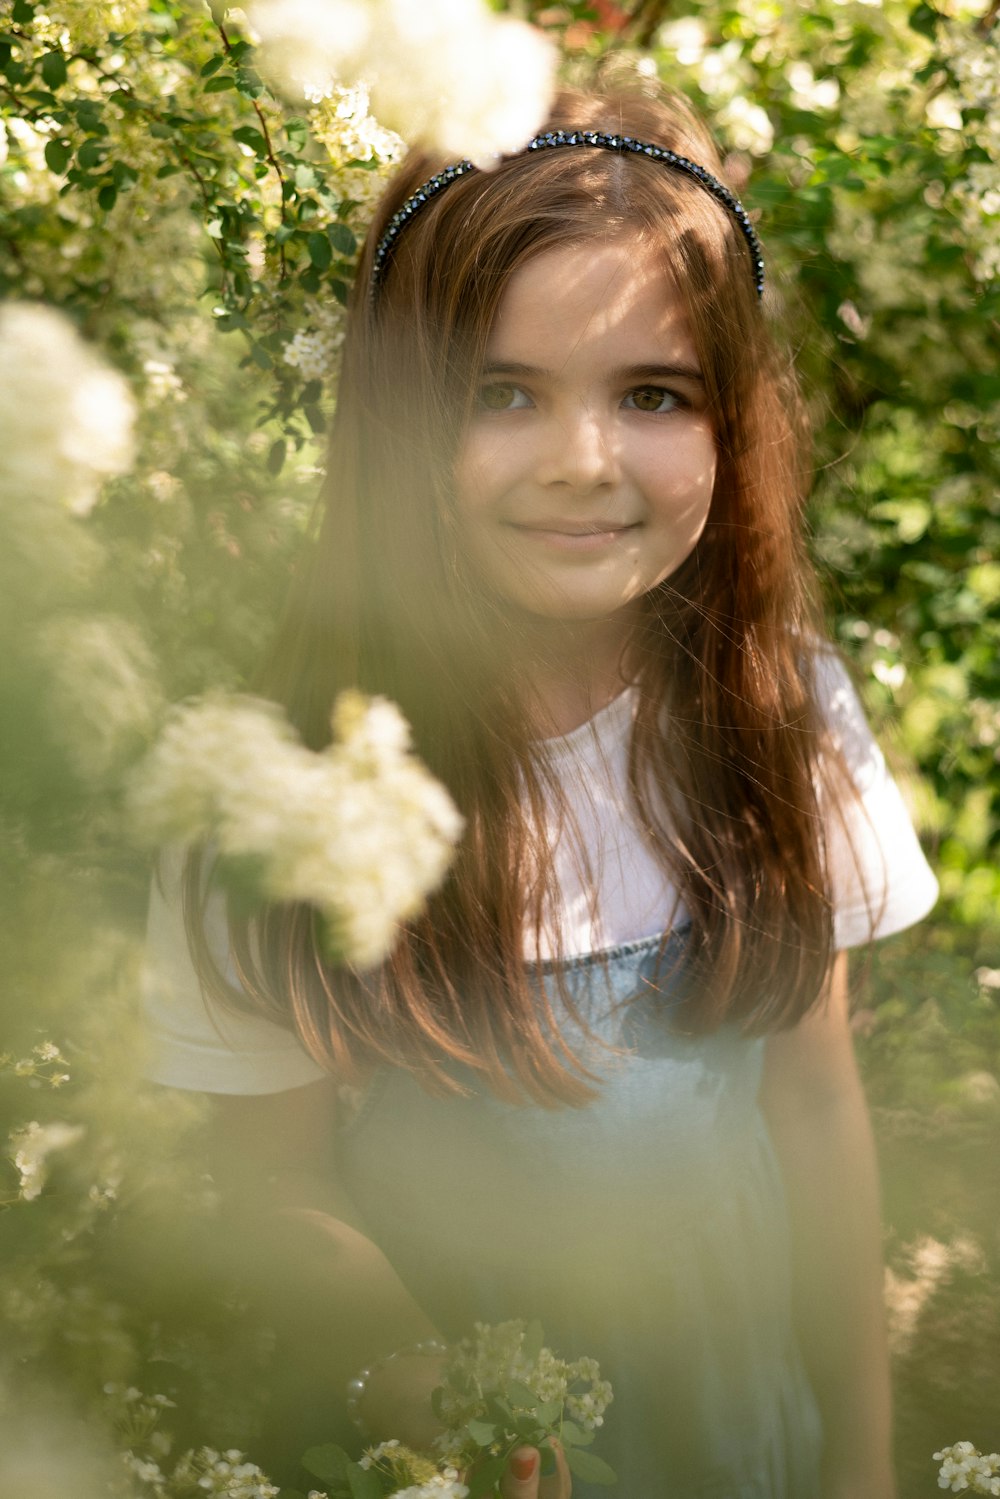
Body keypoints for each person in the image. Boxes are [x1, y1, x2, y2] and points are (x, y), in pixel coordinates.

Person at [142, 86, 939, 1498]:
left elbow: (811, 1105)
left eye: (654, 394)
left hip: (739, 1445)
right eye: (502, 393)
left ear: (731, 421)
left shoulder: (777, 717)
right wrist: (417, 1384)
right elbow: (271, 1186)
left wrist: (859, 1465)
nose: (584, 463)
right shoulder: (282, 796)